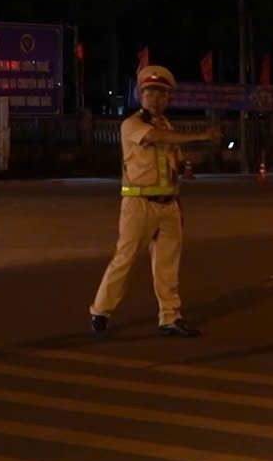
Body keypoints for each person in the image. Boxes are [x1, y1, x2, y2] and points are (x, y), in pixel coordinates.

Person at [89, 65, 221, 337]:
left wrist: (178, 199)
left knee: (167, 266)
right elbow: (156, 139)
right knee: (124, 260)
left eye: (162, 94)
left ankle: (170, 317)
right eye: (149, 93)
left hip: (168, 205)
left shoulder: (167, 126)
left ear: (169, 99)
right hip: (139, 205)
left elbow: (172, 162)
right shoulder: (132, 125)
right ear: (139, 96)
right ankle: (100, 311)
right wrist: (201, 135)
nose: (155, 99)